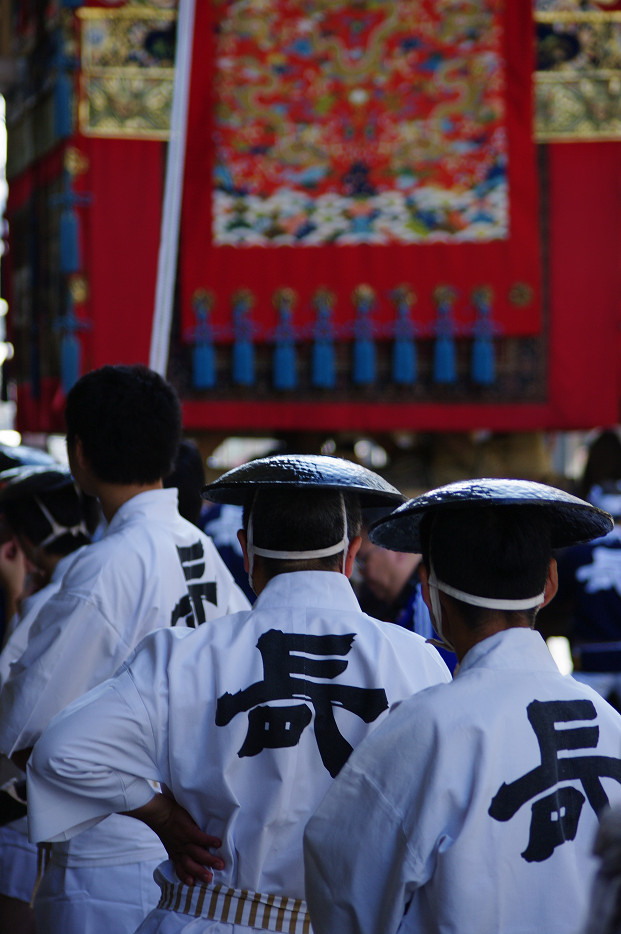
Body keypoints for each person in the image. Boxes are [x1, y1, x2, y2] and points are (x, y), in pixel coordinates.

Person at [26, 453, 451, 934]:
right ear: (353, 551)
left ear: (247, 551)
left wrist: (160, 815)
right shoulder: (416, 661)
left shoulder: (181, 654)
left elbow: (61, 752)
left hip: (207, 914)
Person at [304, 477, 621, 934]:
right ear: (550, 582)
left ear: (429, 591)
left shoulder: (420, 732)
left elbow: (342, 887)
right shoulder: (610, 723)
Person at [0, 364, 250, 934]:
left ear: (79, 454)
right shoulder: (203, 551)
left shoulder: (107, 565)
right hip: (198, 849)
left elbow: (24, 724)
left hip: (112, 856)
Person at [0, 464, 98, 934]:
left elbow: (11, 717)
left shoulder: (48, 602)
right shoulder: (98, 578)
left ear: (23, 542)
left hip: (44, 808)